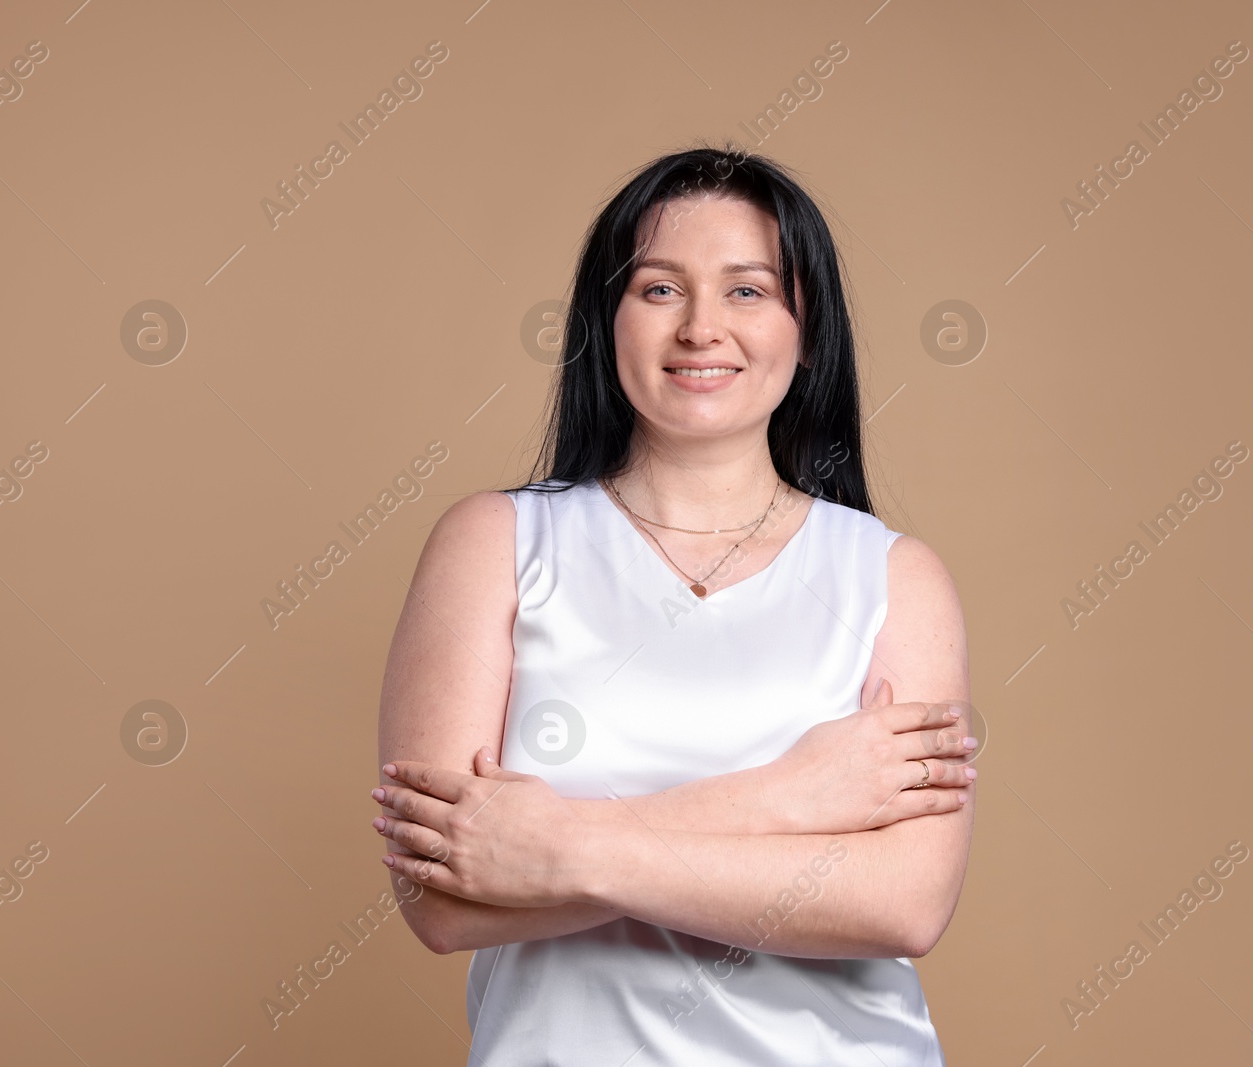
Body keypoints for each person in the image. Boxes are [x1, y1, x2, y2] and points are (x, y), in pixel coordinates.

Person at [371, 145, 977, 1066]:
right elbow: (447, 904)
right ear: (604, 322)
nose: (702, 328)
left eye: (748, 291)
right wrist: (787, 798)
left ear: (808, 330)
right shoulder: (492, 546)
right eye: (659, 289)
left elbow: (905, 903)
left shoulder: (895, 577)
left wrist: (552, 849)